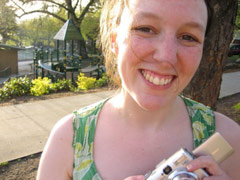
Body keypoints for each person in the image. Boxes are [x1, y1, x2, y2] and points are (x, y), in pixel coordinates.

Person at [36, 0, 240, 179]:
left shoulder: (228, 138)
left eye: (188, 37)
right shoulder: (68, 140)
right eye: (145, 29)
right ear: (115, 40)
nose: (166, 56)